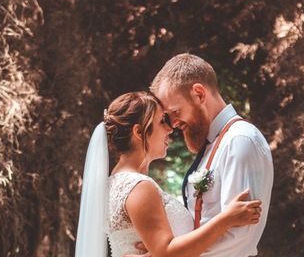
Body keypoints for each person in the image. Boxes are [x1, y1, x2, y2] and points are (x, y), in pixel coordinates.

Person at [75, 91, 262, 257]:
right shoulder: (138, 187)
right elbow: (167, 252)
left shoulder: (113, 183)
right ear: (139, 132)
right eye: (161, 121)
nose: (170, 128)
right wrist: (226, 219)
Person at [150, 53, 274, 257]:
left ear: (199, 94)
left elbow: (238, 238)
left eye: (175, 111)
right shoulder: (213, 144)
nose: (173, 124)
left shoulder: (239, 140)